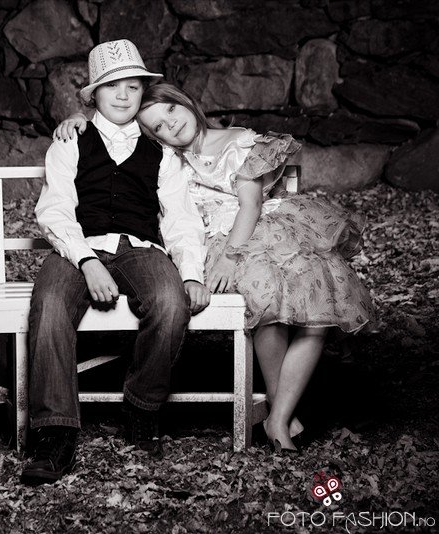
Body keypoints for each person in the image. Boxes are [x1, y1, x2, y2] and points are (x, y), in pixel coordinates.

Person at [54, 83, 376, 454]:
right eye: (158, 127)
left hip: (257, 233)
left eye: (171, 112)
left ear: (185, 102)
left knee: (317, 310)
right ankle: (280, 418)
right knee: (268, 306)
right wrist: (79, 117)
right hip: (210, 243)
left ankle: (279, 414)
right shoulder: (166, 158)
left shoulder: (238, 142)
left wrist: (232, 255)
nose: (171, 126)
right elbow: (114, 129)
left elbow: (251, 206)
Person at [21, 42, 209, 486]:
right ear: (94, 94)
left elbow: (180, 219)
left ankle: (141, 407)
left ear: (143, 92)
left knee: (170, 303)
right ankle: (55, 432)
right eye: (112, 86)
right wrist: (87, 260)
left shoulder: (161, 152)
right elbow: (55, 210)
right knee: (49, 306)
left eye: (133, 87)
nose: (123, 95)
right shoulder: (70, 140)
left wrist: (191, 273)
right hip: (77, 246)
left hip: (140, 247)